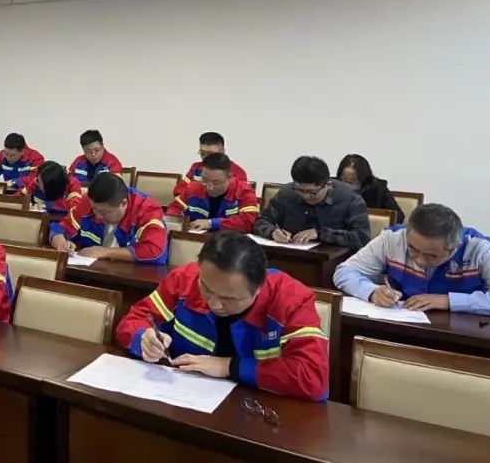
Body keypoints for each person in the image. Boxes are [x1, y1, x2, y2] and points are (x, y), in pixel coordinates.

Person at [117, 231, 328, 402]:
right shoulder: (185, 279)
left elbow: (313, 378)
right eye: (206, 288)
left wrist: (228, 366)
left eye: (229, 298)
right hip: (184, 398)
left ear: (258, 289)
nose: (214, 304)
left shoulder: (291, 300)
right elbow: (133, 319)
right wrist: (143, 338)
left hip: (256, 411)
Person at [334, 203, 490, 317]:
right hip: (402, 325)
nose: (419, 260)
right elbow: (345, 272)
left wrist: (449, 301)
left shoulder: (480, 249)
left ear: (455, 247)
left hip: (463, 336)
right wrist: (372, 291)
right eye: (412, 249)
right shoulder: (393, 239)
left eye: (431, 255)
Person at [253, 156, 370, 250]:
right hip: (290, 254)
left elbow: (362, 238)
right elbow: (261, 221)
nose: (305, 196)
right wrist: (273, 232)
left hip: (334, 262)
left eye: (312, 192)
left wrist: (320, 234)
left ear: (327, 185)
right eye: (300, 190)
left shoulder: (351, 198)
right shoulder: (287, 193)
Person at [49, 174, 168, 264]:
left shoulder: (147, 209)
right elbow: (60, 228)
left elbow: (155, 252)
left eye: (104, 212)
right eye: (95, 209)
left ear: (124, 204)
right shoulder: (89, 202)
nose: (98, 216)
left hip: (131, 277)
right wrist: (59, 239)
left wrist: (105, 252)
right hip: (91, 272)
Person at [166, 153, 259, 233]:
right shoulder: (192, 188)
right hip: (195, 238)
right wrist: (178, 221)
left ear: (229, 177)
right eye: (205, 180)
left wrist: (211, 223)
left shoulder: (244, 192)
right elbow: (174, 208)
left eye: (216, 183)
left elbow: (248, 222)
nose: (209, 187)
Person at [173, 131, 249, 197]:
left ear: (222, 151)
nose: (206, 157)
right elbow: (178, 190)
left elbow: (238, 196)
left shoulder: (237, 172)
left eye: (210, 154)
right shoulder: (196, 167)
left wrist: (195, 190)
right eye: (202, 153)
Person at [336, 154, 402, 220]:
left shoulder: (378, 190)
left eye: (352, 182)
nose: (347, 186)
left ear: (364, 181)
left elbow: (398, 217)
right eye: (344, 181)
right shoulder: (333, 187)